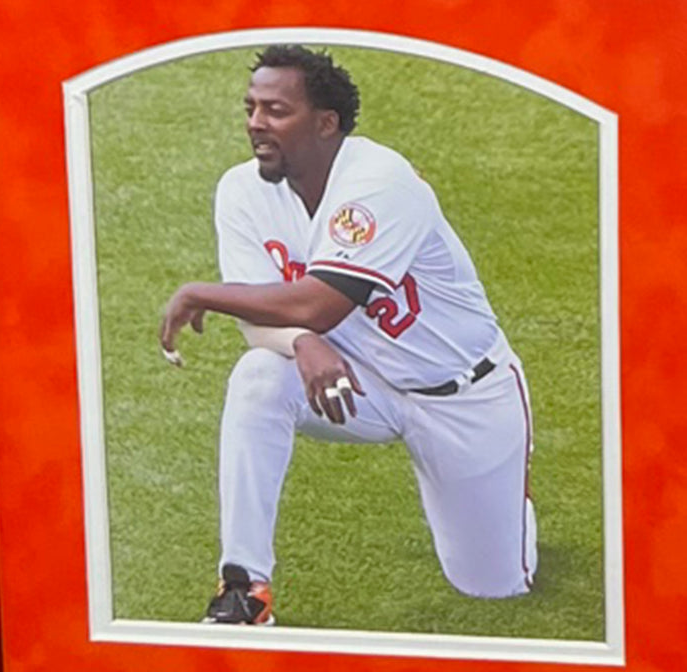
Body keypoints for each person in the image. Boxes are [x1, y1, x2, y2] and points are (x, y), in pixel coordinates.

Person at [160, 45, 537, 626]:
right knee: (259, 377)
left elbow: (318, 303)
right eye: (251, 107)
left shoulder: (381, 182)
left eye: (276, 110)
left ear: (325, 123)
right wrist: (301, 343)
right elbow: (262, 318)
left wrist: (198, 292)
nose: (256, 122)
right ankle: (244, 588)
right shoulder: (241, 191)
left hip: (463, 395)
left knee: (494, 587)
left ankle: (512, 497)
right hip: (358, 383)